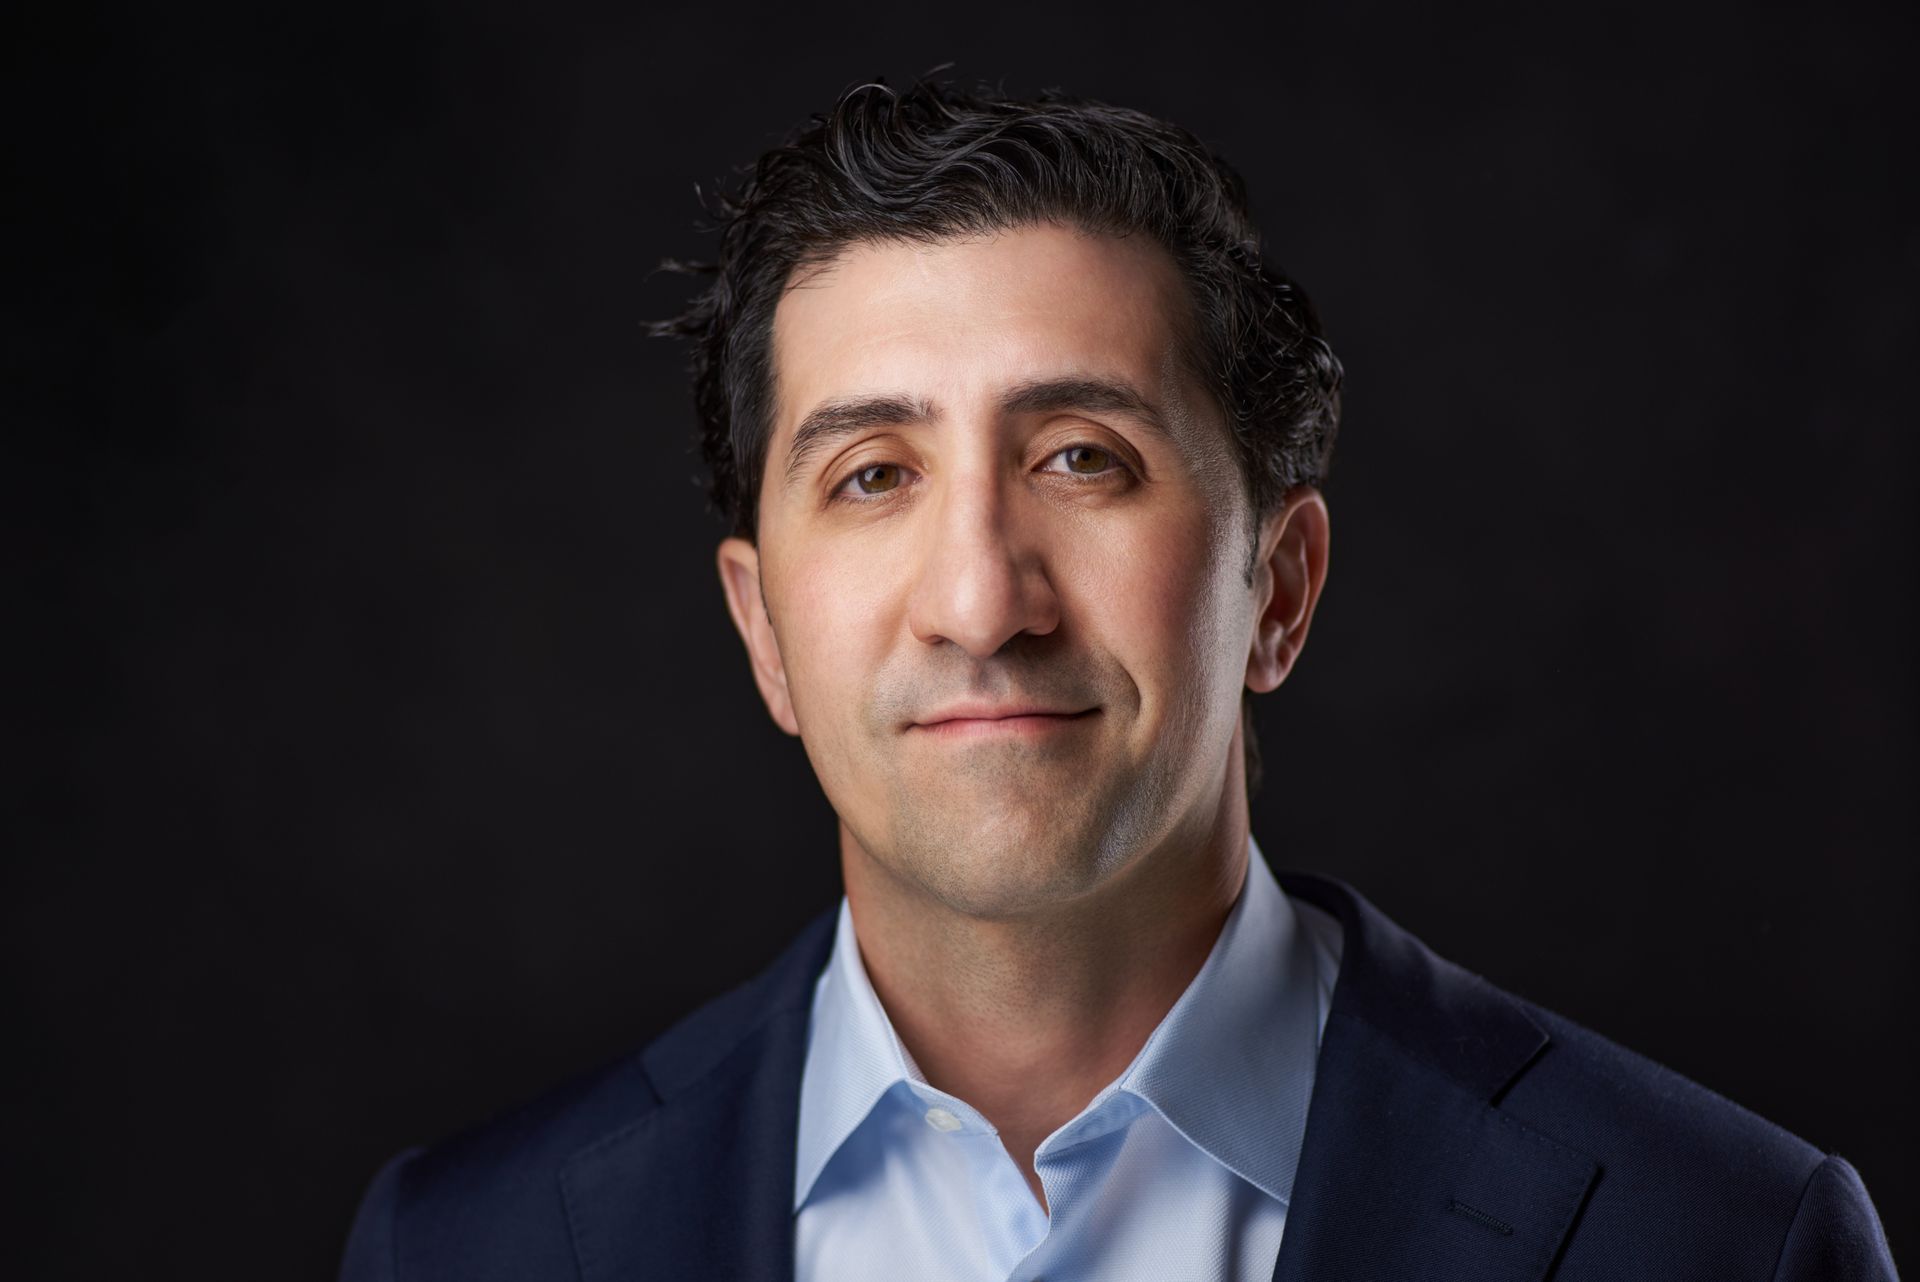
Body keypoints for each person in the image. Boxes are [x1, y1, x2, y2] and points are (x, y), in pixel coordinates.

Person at [338, 78, 1897, 1281]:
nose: (979, 599)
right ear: (763, 631)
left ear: (1277, 587)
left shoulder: (1723, 1242)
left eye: (1083, 458)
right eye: (874, 475)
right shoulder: (462, 1248)